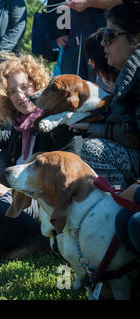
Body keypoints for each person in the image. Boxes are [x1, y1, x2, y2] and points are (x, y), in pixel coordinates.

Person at [0, 53, 83, 199]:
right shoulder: (21, 124)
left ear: (37, 84)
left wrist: (8, 193)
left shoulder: (55, 122)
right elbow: (8, 137)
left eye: (24, 87)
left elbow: (65, 181)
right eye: (12, 91)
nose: (20, 96)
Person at [71, 0, 140, 190]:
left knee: (94, 150)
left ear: (135, 40)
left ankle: (118, 207)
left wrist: (98, 130)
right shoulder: (129, 74)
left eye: (109, 35)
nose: (102, 43)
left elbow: (135, 135)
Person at [46, 0, 122, 81]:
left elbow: (122, 2)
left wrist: (88, 2)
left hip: (102, 45)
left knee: (103, 89)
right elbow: (53, 5)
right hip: (71, 46)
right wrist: (59, 33)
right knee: (70, 91)